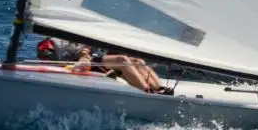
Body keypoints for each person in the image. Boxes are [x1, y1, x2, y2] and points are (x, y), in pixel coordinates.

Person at [36, 38, 169, 94]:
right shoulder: (49, 43)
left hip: (94, 61)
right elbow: (48, 58)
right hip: (81, 65)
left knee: (138, 61)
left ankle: (160, 89)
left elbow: (86, 51)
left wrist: (85, 55)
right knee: (122, 60)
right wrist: (79, 60)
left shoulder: (80, 34)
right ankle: (147, 91)